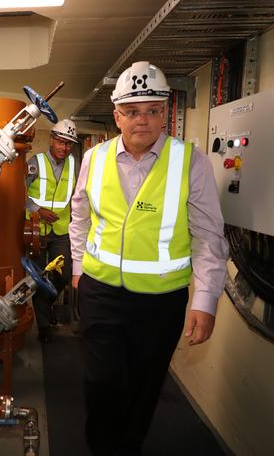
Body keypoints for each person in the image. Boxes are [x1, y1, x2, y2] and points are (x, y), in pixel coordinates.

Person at [69, 61, 228, 455]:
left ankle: (128, 447)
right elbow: (79, 218)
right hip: (101, 293)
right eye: (133, 111)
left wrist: (206, 300)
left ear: (164, 112)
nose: (144, 120)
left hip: (161, 302)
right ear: (117, 115)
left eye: (153, 110)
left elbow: (208, 235)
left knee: (144, 388)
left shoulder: (190, 161)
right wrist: (77, 271)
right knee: (102, 385)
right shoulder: (95, 158)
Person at [26, 119, 79, 343]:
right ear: (52, 140)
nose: (64, 147)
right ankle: (44, 327)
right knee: (38, 277)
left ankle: (45, 305)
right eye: (60, 142)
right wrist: (38, 209)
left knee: (62, 275)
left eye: (68, 144)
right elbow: (19, 193)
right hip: (36, 230)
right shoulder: (35, 162)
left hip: (61, 230)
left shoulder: (74, 164)